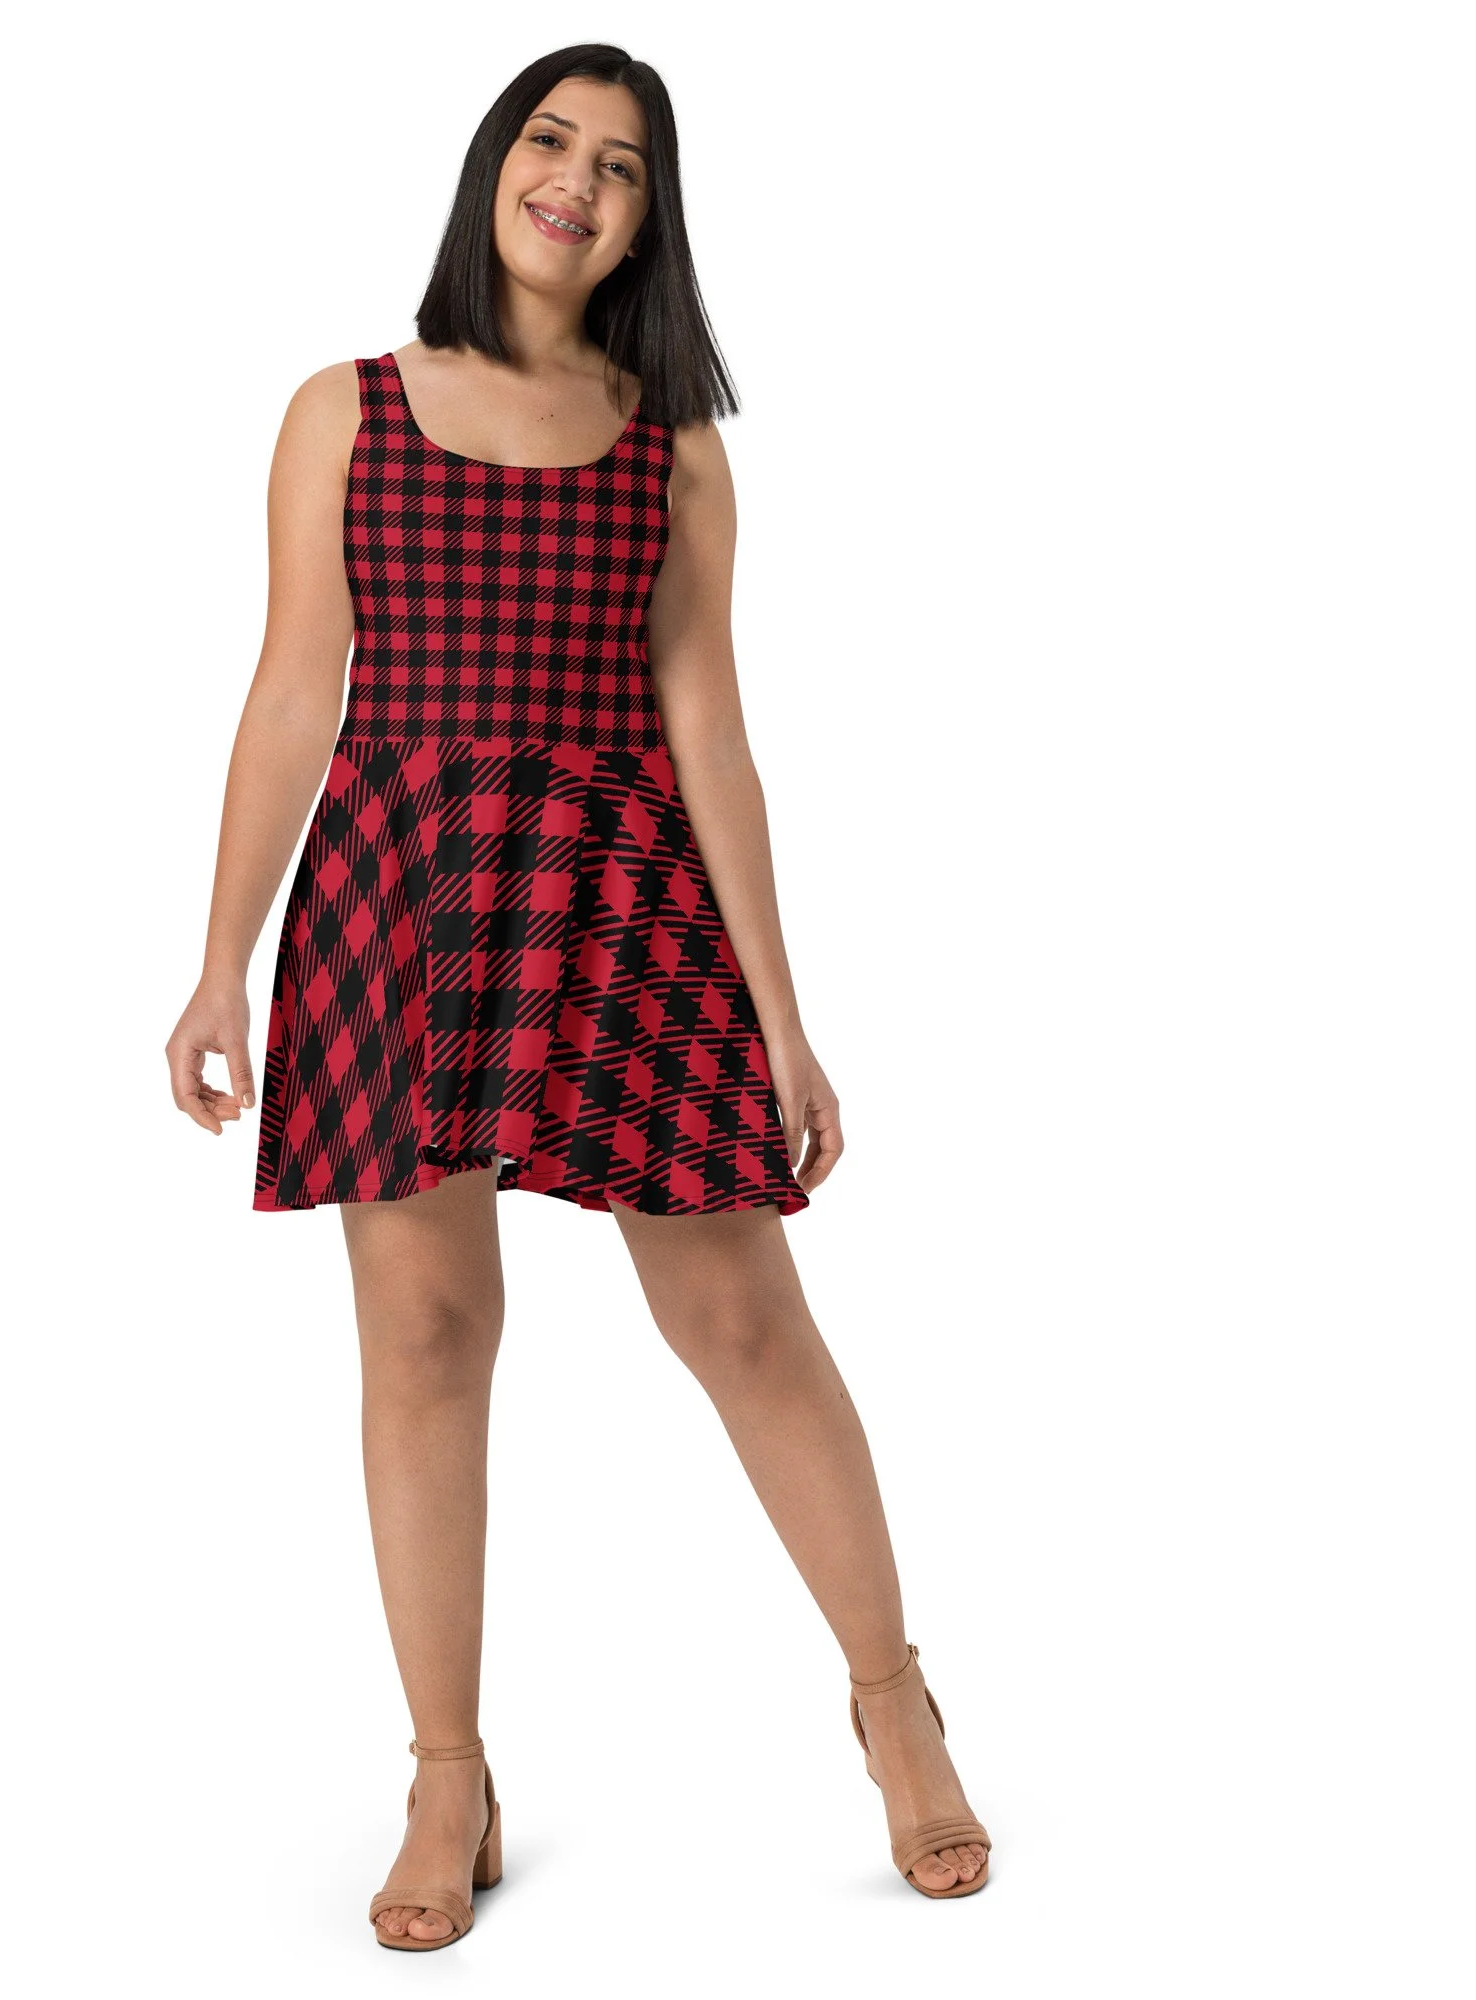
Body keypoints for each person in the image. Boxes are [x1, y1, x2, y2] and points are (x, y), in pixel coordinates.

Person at [165, 42, 992, 1950]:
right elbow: (293, 694)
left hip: (627, 900)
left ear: (646, 221)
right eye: (551, 142)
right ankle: (447, 1774)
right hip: (402, 899)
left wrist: (782, 1015)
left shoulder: (669, 447)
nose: (577, 182)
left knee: (744, 1322)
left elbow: (712, 728)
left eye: (622, 166)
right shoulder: (345, 411)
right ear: (493, 168)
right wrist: (219, 958)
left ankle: (894, 1704)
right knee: (427, 1338)